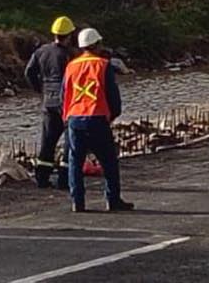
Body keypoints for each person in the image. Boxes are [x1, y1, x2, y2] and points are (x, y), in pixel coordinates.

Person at [62, 27, 132, 212]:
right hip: (97, 117)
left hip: (75, 118)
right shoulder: (103, 64)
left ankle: (77, 202)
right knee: (108, 161)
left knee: (75, 162)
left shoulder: (71, 66)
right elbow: (112, 94)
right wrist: (113, 114)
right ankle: (112, 199)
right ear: (97, 45)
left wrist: (67, 117)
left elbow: (65, 94)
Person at [25, 15, 78, 190]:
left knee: (47, 142)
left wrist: (40, 90)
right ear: (70, 35)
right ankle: (64, 179)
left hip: (48, 101)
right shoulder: (69, 55)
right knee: (70, 141)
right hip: (66, 102)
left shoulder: (41, 51)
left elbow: (29, 72)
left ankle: (42, 178)